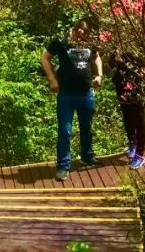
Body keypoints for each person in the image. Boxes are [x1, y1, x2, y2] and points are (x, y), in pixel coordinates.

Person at [41, 17, 102, 180]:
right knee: (65, 131)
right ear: (75, 30)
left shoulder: (89, 41)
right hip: (66, 95)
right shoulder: (61, 41)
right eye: (79, 33)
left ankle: (87, 156)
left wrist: (99, 75)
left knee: (87, 127)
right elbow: (44, 57)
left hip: (86, 93)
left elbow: (96, 57)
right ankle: (63, 166)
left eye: (85, 34)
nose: (82, 37)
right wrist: (52, 79)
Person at [108, 51, 145, 170]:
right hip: (121, 88)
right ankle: (132, 143)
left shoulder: (134, 46)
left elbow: (143, 66)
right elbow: (111, 64)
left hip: (135, 88)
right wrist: (115, 57)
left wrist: (130, 59)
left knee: (139, 122)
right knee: (128, 118)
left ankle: (140, 154)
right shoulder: (115, 47)